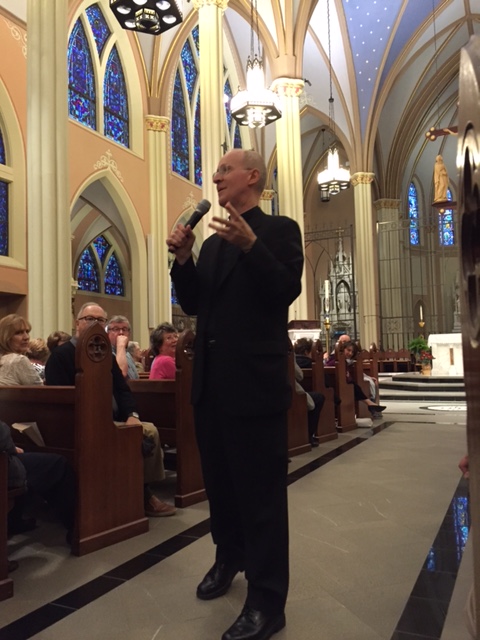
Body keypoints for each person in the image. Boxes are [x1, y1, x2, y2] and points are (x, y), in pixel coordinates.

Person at [167, 148, 304, 640]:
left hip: (254, 384)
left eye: (225, 170)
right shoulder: (217, 240)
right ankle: (229, 558)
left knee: (262, 497)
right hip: (212, 384)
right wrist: (184, 258)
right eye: (217, 171)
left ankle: (268, 602)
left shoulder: (279, 230)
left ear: (252, 177)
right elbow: (195, 302)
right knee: (221, 491)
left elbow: (285, 290)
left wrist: (253, 246)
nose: (216, 176)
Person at [45, 303, 176, 518]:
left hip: (116, 418)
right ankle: (138, 494)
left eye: (100, 320)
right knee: (136, 435)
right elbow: (58, 398)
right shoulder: (62, 355)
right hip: (80, 422)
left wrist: (132, 416)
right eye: (90, 319)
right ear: (77, 323)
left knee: (148, 429)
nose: (95, 324)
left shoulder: (105, 354)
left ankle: (141, 490)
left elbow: (123, 390)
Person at [0, 314, 43, 386]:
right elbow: (41, 392)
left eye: (27, 332)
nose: (26, 337)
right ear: (5, 337)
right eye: (18, 333)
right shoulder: (18, 360)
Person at [105, 315, 139, 381]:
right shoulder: (106, 354)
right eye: (116, 329)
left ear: (129, 334)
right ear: (108, 334)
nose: (121, 333)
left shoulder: (128, 354)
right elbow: (121, 373)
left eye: (124, 329)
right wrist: (120, 345)